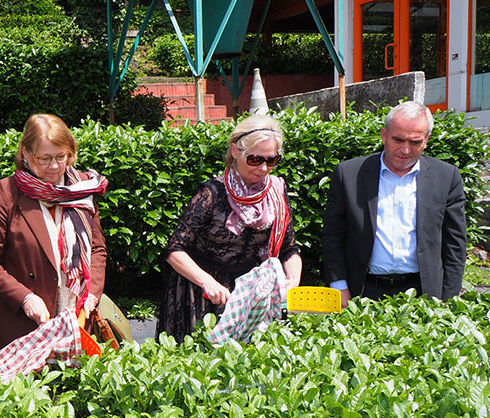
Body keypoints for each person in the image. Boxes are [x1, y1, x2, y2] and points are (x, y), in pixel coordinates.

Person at [156, 115, 303, 339]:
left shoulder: (277, 191)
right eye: (255, 159)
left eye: (271, 160)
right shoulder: (212, 193)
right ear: (235, 151)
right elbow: (174, 249)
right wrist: (207, 282)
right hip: (202, 294)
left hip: (251, 295)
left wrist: (292, 282)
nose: (264, 168)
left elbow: (289, 249)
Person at [0, 114, 109, 349]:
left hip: (78, 317)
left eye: (61, 156)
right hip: (25, 325)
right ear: (25, 154)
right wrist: (24, 298)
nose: (55, 166)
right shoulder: (7, 193)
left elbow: (97, 249)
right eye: (44, 158)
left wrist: (93, 292)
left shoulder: (82, 189)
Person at [322, 101, 466, 304]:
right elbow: (333, 236)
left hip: (423, 292)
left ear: (427, 140)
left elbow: (454, 243)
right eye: (398, 140)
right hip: (362, 291)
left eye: (415, 142)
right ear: (384, 135)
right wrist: (339, 286)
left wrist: (448, 297)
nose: (405, 150)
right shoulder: (349, 174)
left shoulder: (446, 177)